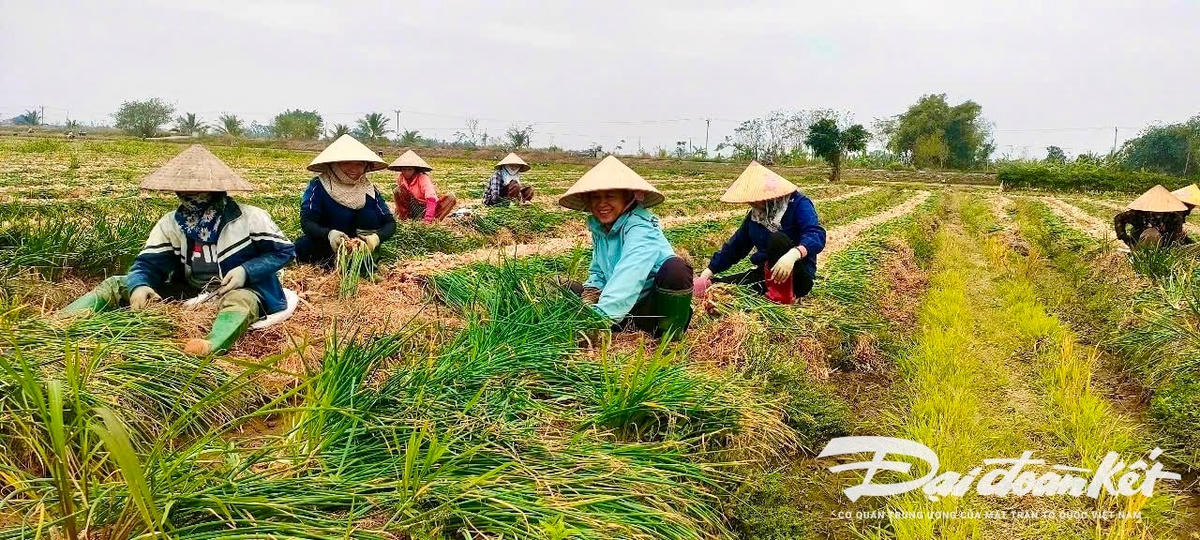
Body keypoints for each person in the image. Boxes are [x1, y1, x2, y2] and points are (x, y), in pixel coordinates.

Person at [56, 145, 295, 356]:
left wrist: (246, 271)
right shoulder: (171, 223)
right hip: (191, 290)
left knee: (241, 300)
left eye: (199, 191)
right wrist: (140, 284)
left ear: (216, 190)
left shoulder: (249, 217)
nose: (190, 197)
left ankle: (212, 344)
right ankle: (59, 322)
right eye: (184, 191)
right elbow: (148, 263)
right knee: (116, 284)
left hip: (241, 287)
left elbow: (284, 252)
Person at [560, 155, 692, 338]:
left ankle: (669, 337)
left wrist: (600, 318)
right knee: (564, 287)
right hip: (622, 308)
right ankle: (615, 325)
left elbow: (631, 273)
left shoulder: (641, 227)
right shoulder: (601, 229)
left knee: (676, 268)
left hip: (650, 309)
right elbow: (598, 271)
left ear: (628, 198)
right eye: (595, 197)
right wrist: (589, 297)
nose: (601, 204)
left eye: (610, 196)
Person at [692, 161, 825, 304]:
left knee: (777, 239)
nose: (752, 204)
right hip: (768, 273)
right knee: (723, 286)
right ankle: (768, 291)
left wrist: (793, 254)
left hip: (797, 275)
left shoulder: (799, 204)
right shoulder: (757, 215)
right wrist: (709, 271)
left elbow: (816, 234)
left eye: (756, 200)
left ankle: (785, 296)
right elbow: (737, 245)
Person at [295, 135, 395, 266]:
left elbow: (389, 223)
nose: (354, 169)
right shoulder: (320, 185)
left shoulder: (369, 189)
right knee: (304, 246)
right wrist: (329, 235)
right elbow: (307, 222)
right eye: (346, 163)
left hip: (361, 254)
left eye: (359, 164)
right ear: (334, 164)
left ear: (366, 167)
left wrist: (376, 238)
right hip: (325, 250)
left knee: (369, 214)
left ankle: (364, 264)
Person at [1114, 185, 1191, 249]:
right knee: (1151, 233)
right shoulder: (1139, 213)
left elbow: (1175, 236)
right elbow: (1119, 218)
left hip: (1164, 246)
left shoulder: (1174, 217)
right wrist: (1124, 237)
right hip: (1141, 244)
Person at [390, 150, 457, 222]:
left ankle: (433, 222)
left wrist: (428, 218)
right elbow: (401, 201)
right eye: (404, 169)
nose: (406, 172)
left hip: (426, 208)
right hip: (412, 208)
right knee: (398, 190)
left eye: (410, 169)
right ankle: (405, 220)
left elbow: (431, 197)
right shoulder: (401, 178)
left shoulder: (422, 178)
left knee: (451, 198)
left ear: (415, 169)